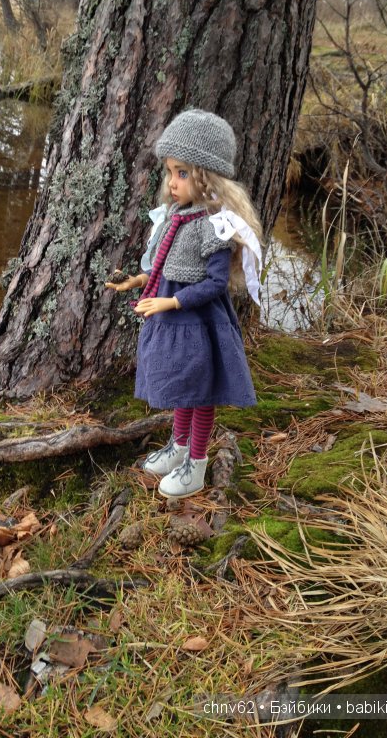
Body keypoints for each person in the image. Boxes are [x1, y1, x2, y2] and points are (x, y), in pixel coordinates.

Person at [106, 109, 262, 498]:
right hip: (175, 314)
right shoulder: (174, 216)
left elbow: (214, 283)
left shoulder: (214, 226)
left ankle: (197, 462)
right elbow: (163, 264)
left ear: (206, 178)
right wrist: (137, 281)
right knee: (182, 387)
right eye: (170, 172)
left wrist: (169, 302)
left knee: (200, 390)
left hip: (199, 321)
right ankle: (179, 447)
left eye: (182, 174)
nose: (172, 183)